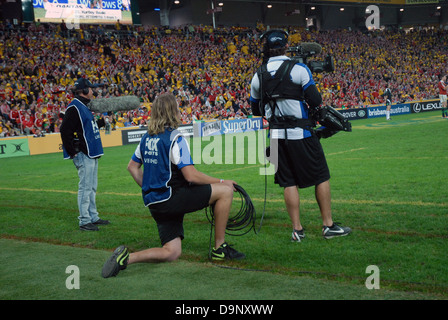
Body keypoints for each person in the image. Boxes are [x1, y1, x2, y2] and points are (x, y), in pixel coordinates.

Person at [102, 93, 245, 278]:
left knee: (172, 252)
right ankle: (220, 248)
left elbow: (132, 168)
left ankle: (126, 258)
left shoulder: (146, 137)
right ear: (172, 111)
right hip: (171, 199)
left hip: (155, 204)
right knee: (225, 192)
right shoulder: (175, 137)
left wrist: (149, 188)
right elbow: (191, 175)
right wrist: (221, 181)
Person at [249, 29, 351, 242]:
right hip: (300, 134)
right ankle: (328, 226)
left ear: (266, 48)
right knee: (321, 176)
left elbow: (256, 111)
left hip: (276, 137)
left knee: (288, 182)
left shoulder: (257, 76)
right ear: (286, 46)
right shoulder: (299, 69)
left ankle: (297, 230)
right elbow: (315, 100)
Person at [60, 78, 110, 231]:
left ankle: (93, 216)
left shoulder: (83, 106)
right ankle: (84, 220)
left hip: (90, 151)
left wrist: (102, 122)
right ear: (84, 90)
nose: (93, 91)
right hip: (83, 152)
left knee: (92, 187)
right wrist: (73, 152)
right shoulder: (74, 107)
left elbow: (89, 126)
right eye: (90, 88)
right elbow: (64, 130)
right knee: (86, 187)